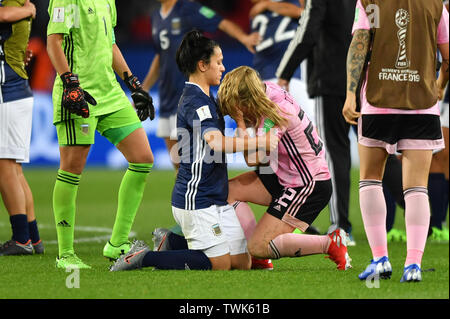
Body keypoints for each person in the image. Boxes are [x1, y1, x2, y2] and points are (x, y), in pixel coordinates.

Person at [110, 31, 278, 271]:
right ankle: (142, 257)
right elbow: (217, 143)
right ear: (202, 65)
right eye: (218, 62)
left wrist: (240, 121)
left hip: (216, 198)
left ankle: (172, 240)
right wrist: (260, 142)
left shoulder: (206, 98)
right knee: (219, 265)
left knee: (242, 263)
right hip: (196, 199)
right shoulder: (196, 102)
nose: (222, 67)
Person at [343, 0, 449, 282]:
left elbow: (359, 45)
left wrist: (350, 93)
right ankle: (413, 265)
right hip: (422, 105)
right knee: (416, 187)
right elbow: (448, 55)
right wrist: (438, 87)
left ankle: (380, 259)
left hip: (379, 102)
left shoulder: (369, 1)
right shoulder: (436, 5)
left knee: (370, 179)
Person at [47, 0, 155, 269]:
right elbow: (54, 42)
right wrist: (69, 81)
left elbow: (110, 44)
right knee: (71, 169)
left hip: (110, 93)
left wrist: (133, 83)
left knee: (143, 158)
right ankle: (66, 254)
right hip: (80, 93)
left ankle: (117, 243)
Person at [218, 66, 351, 270]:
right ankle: (258, 256)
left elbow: (253, 159)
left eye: (237, 107)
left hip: (307, 185)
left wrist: (239, 122)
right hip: (286, 173)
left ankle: (331, 243)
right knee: (229, 191)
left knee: (259, 245)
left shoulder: (275, 113)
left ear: (246, 101)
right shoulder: (267, 91)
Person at [275, 0, 359, 244]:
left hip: (331, 80)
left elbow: (307, 31)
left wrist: (284, 73)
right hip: (363, 80)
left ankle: (341, 227)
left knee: (334, 154)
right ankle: (418, 214)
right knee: (377, 148)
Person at [141, 0, 260, 170]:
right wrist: (144, 89)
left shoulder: (187, 8)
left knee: (194, 164)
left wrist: (244, 37)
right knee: (180, 167)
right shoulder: (156, 17)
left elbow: (221, 22)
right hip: (166, 97)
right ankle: (185, 196)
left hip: (188, 96)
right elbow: (161, 56)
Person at [0, 0, 44, 256]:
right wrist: (29, 10)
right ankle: (33, 238)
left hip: (8, 92)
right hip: (16, 91)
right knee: (14, 169)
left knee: (5, 167)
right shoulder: (20, 6)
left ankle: (21, 239)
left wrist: (28, 10)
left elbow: (4, 13)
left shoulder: (13, 6)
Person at [249, 0, 315, 124]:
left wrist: (266, 5)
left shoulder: (257, 11)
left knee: (267, 130)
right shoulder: (293, 4)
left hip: (263, 81)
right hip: (292, 78)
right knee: (310, 127)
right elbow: (305, 13)